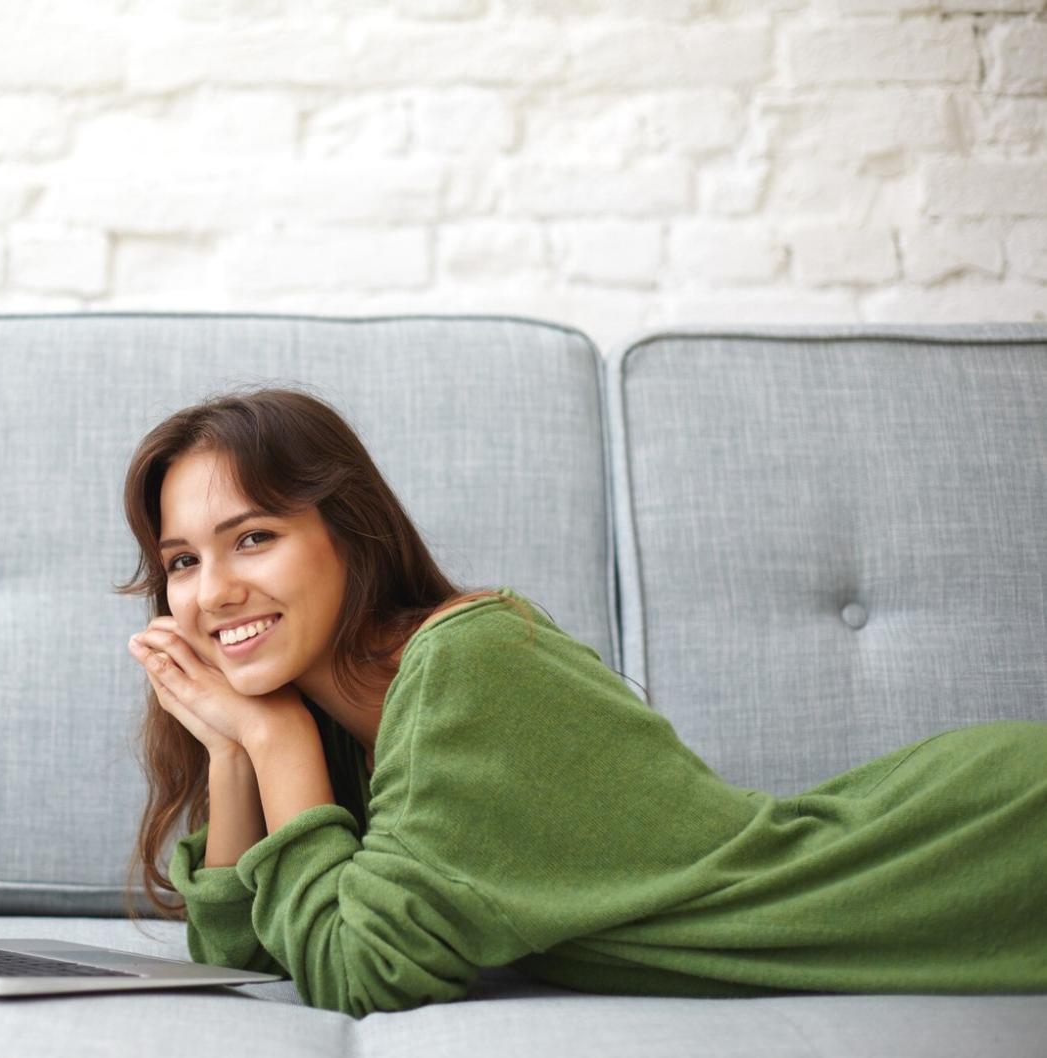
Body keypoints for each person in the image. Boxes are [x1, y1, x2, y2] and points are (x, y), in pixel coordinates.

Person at [113, 385, 1047, 1019]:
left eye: (254, 538)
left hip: (967, 852)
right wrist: (235, 750)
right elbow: (238, 956)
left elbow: (366, 971)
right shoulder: (330, 730)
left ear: (350, 535)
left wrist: (274, 745)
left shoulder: (464, 664)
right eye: (183, 562)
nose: (212, 593)